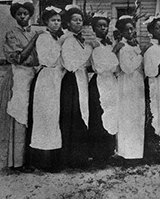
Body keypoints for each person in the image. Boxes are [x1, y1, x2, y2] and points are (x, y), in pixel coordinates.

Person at [0, 0, 40, 172]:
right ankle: (17, 161)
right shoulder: (11, 34)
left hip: (32, 75)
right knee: (18, 117)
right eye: (19, 14)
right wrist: (34, 39)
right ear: (15, 16)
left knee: (30, 116)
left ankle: (30, 158)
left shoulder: (34, 32)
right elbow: (19, 57)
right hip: (17, 76)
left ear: (30, 15)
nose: (22, 16)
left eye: (25, 14)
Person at [28, 6, 64, 172]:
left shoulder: (56, 38)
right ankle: (43, 159)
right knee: (45, 117)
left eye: (58, 20)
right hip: (46, 79)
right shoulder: (43, 38)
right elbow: (48, 59)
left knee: (54, 117)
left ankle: (54, 158)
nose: (56, 23)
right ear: (46, 22)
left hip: (56, 79)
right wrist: (61, 49)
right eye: (53, 20)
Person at [59, 5, 92, 168]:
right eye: (75, 20)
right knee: (74, 115)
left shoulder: (78, 39)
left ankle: (80, 156)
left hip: (81, 78)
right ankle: (71, 157)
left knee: (82, 113)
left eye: (80, 20)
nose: (78, 23)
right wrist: (88, 52)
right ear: (68, 22)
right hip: (72, 80)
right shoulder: (67, 39)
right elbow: (70, 64)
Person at [88, 12, 119, 166]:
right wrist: (113, 56)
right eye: (99, 26)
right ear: (94, 28)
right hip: (100, 81)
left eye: (105, 26)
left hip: (111, 82)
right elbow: (101, 66)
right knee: (99, 115)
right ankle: (98, 154)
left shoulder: (110, 43)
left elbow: (116, 66)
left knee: (112, 112)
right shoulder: (93, 45)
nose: (103, 28)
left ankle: (109, 151)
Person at [113, 15, 145, 161]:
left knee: (137, 116)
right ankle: (126, 153)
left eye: (132, 29)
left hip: (137, 84)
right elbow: (127, 67)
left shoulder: (135, 45)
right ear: (121, 32)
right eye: (127, 30)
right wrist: (141, 54)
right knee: (127, 117)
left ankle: (137, 153)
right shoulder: (123, 47)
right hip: (127, 84)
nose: (130, 32)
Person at [141, 15, 160, 163]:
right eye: (157, 28)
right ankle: (152, 152)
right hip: (154, 85)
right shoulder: (150, 49)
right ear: (150, 31)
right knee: (155, 114)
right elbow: (153, 72)